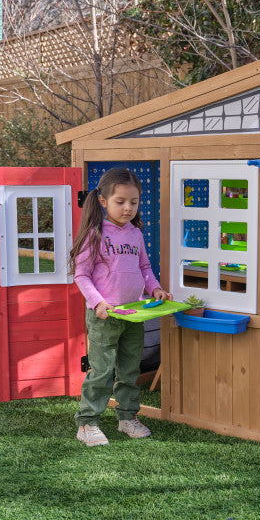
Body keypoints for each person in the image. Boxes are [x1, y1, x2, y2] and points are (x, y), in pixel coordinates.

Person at [69, 167, 172, 446]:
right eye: (120, 202)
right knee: (102, 371)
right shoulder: (95, 233)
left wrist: (155, 288)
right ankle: (88, 423)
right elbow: (81, 275)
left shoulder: (135, 234)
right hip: (105, 316)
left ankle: (127, 418)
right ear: (103, 201)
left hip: (134, 314)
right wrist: (98, 302)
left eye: (134, 202)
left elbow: (144, 267)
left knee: (129, 370)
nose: (128, 208)